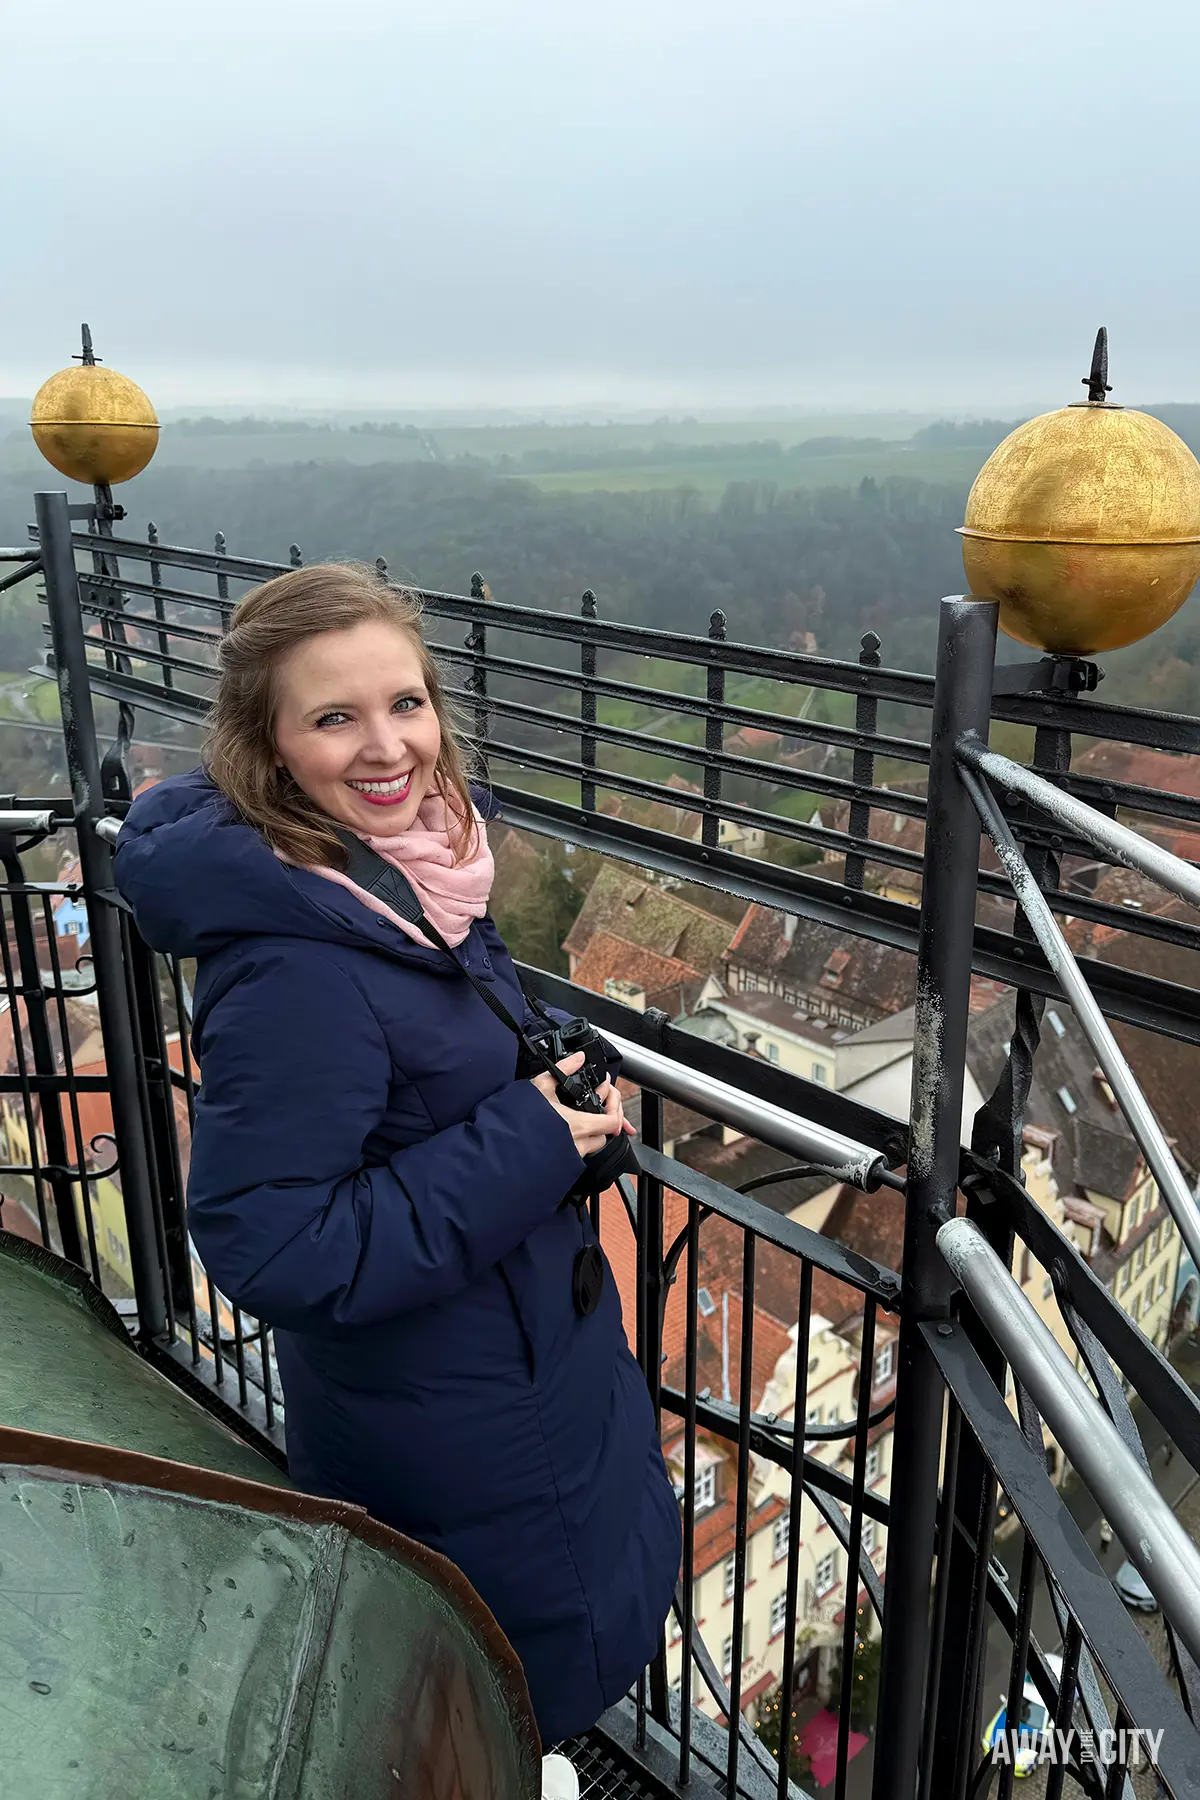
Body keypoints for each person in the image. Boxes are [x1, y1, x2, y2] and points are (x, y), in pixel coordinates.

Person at [114, 563, 681, 1777]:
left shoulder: (394, 876)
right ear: (266, 747)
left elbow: (415, 1089)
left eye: (407, 704)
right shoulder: (298, 961)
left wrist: (549, 1106)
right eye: (335, 717)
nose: (390, 749)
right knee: (478, 1708)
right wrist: (526, 1138)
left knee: (491, 1706)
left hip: (503, 1383)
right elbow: (270, 1244)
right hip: (464, 1436)